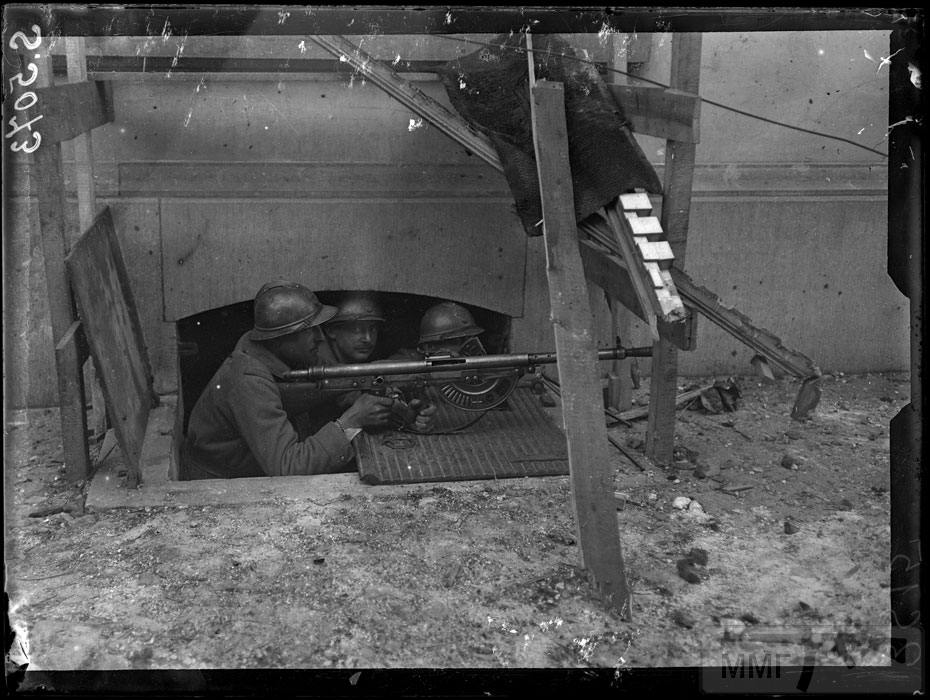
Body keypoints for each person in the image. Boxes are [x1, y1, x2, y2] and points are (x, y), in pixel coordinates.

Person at [181, 281, 427, 479]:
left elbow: (344, 386)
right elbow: (287, 468)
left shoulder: (285, 354)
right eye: (311, 330)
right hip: (220, 483)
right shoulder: (248, 379)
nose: (320, 338)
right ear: (282, 338)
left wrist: (396, 409)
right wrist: (350, 421)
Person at [316, 291, 435, 432]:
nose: (367, 338)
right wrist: (399, 410)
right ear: (331, 331)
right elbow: (347, 394)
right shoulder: (320, 361)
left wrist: (406, 413)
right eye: (356, 329)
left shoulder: (352, 353)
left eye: (372, 329)